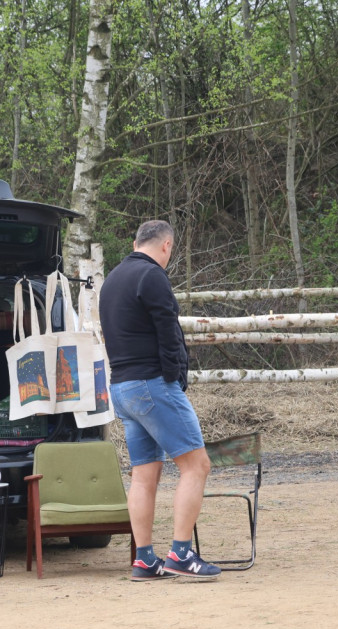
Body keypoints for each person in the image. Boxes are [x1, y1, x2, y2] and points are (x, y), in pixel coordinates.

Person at [99, 220, 221, 581]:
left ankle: (144, 559)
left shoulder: (112, 280)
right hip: (152, 384)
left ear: (135, 242)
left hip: (121, 387)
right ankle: (181, 554)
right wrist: (176, 379)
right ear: (166, 245)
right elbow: (169, 334)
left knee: (144, 474)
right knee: (196, 466)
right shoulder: (151, 277)